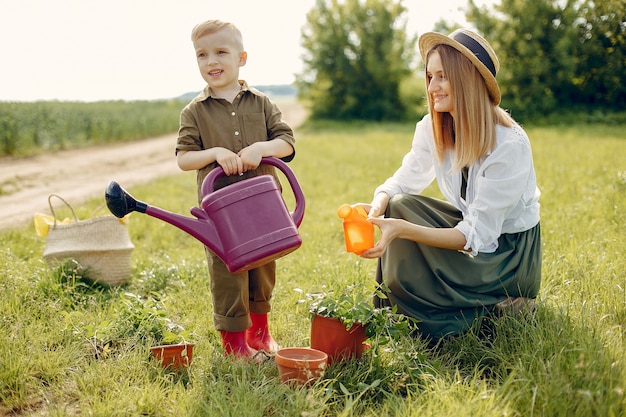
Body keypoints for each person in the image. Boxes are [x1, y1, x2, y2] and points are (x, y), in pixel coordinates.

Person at [357, 29, 541, 342]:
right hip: (474, 234)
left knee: (402, 220)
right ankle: (395, 311)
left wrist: (402, 230)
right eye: (429, 76)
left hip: (507, 256)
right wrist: (380, 202)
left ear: (467, 79)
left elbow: (476, 235)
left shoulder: (509, 145)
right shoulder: (434, 126)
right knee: (398, 202)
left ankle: (495, 308)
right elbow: (406, 177)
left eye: (442, 76)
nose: (432, 87)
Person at [175, 20, 296, 359]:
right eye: (202, 55)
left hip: (263, 207)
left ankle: (260, 334)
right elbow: (184, 159)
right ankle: (235, 345)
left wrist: (261, 149)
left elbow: (286, 142)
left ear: (241, 58)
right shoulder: (194, 112)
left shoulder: (261, 102)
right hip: (220, 212)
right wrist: (214, 154)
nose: (211, 62)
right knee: (228, 272)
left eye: (220, 52)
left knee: (263, 266)